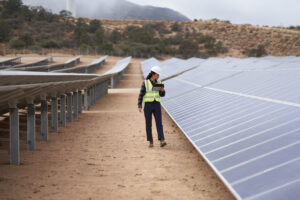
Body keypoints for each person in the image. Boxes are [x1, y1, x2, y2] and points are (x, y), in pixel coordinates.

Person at [138, 66, 167, 148]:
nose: (159, 76)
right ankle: (150, 141)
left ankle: (162, 140)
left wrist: (162, 91)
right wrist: (139, 105)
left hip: (157, 104)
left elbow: (162, 95)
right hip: (148, 105)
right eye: (158, 75)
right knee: (148, 124)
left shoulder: (159, 82)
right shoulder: (145, 83)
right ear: (153, 74)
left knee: (159, 123)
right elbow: (141, 94)